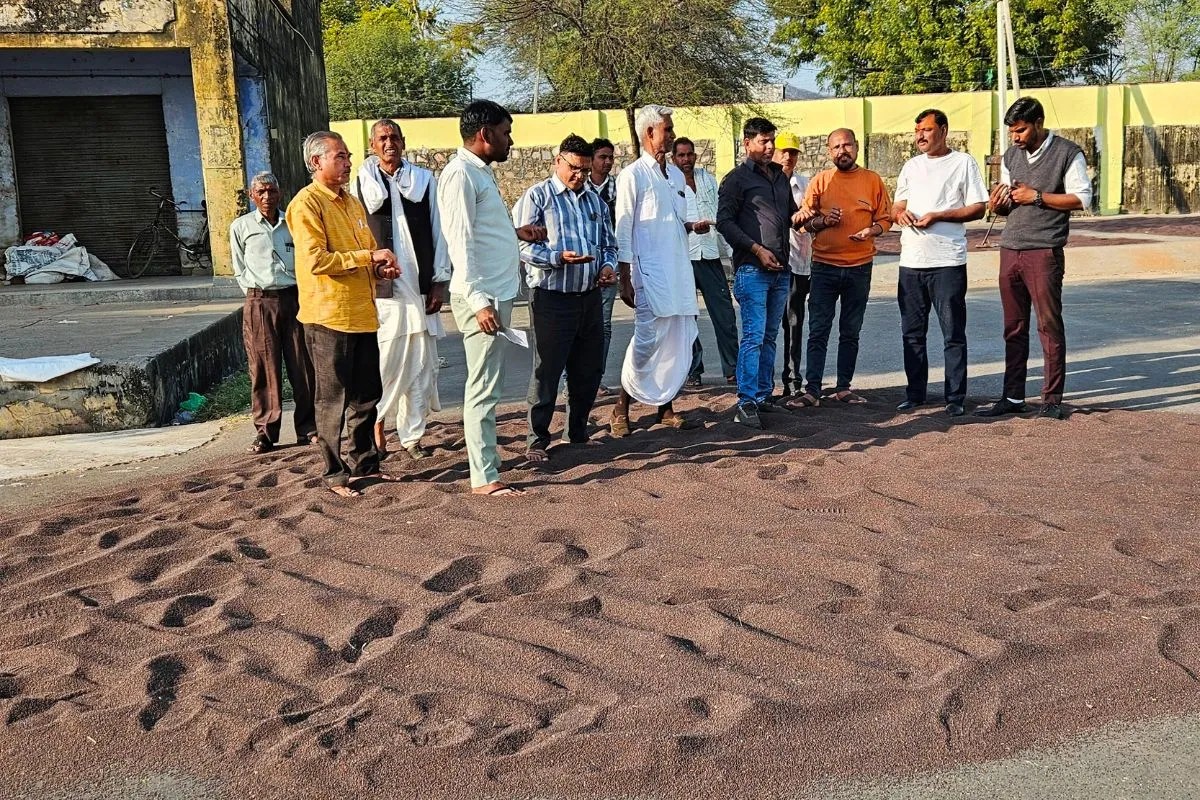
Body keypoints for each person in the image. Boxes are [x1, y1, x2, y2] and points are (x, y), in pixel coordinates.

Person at [439, 100, 546, 496]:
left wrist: (515, 235)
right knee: (482, 387)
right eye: (505, 131)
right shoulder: (460, 176)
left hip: (496, 293)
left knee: (491, 386)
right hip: (479, 297)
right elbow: (460, 246)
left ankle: (489, 466)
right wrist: (480, 301)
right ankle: (484, 477)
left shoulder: (479, 174)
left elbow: (481, 233)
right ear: (484, 134)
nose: (511, 140)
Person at [287, 131, 401, 497]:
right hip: (328, 317)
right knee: (331, 399)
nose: (348, 162)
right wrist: (370, 258)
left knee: (368, 394)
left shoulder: (351, 203)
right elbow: (316, 260)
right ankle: (335, 473)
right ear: (316, 162)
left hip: (362, 313)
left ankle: (367, 462)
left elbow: (367, 251)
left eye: (349, 155)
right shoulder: (306, 204)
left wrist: (380, 268)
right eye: (340, 156)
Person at [976, 97, 1091, 421]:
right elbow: (1008, 204)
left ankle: (1051, 400)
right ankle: (1012, 397)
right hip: (1010, 247)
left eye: (1021, 130)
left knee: (1048, 325)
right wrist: (998, 204)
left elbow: (1081, 198)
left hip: (1045, 249)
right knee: (1013, 327)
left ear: (1039, 123)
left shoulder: (1068, 152)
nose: (1015, 138)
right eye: (1012, 131)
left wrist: (1037, 196)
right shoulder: (1013, 154)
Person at [514, 134, 618, 462]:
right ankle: (536, 440)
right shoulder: (538, 197)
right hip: (551, 296)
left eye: (585, 170)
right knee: (547, 369)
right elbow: (523, 245)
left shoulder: (594, 201)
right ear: (557, 161)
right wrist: (558, 258)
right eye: (574, 168)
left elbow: (609, 244)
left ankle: (577, 432)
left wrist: (607, 267)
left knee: (587, 370)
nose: (580, 176)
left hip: (589, 296)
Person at [352, 119, 451, 461]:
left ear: (403, 141)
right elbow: (357, 234)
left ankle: (412, 438)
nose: (389, 142)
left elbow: (440, 230)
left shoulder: (424, 180)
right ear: (372, 144)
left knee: (422, 367)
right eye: (382, 138)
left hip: (420, 288)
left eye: (394, 137)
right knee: (386, 363)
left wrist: (440, 281)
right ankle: (377, 428)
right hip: (383, 291)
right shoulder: (361, 183)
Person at [611, 104, 706, 437]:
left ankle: (665, 409)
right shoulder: (632, 175)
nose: (673, 133)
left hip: (677, 268)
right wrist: (625, 277)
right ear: (649, 132)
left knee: (674, 339)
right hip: (647, 272)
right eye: (668, 128)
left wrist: (693, 226)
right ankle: (620, 407)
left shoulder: (677, 175)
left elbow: (675, 221)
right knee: (647, 340)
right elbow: (623, 230)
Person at [893, 109, 988, 418]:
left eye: (927, 129)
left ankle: (955, 396)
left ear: (944, 130)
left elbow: (978, 208)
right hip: (911, 262)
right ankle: (915, 395)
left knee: (952, 333)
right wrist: (900, 215)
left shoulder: (963, 163)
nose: (920, 135)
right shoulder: (911, 166)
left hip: (947, 261)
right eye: (917, 130)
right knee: (912, 334)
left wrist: (939, 215)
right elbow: (898, 205)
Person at [717, 118, 801, 429]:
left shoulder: (779, 177)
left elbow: (790, 216)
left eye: (772, 142)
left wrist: (809, 218)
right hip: (752, 269)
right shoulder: (736, 180)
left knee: (769, 336)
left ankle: (764, 397)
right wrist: (756, 250)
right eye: (763, 142)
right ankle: (746, 402)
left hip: (781, 268)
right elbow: (724, 223)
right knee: (753, 335)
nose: (770, 148)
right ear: (747, 143)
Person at [800, 128, 893, 406]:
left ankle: (843, 387)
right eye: (836, 147)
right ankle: (812, 390)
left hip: (859, 268)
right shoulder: (820, 181)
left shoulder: (873, 181)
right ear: (830, 151)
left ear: (857, 147)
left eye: (847, 145)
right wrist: (824, 222)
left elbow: (886, 219)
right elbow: (806, 223)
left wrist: (872, 231)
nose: (842, 151)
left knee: (850, 331)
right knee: (818, 329)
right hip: (824, 267)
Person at [229, 172, 317, 455]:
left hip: (294, 299)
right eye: (261, 192)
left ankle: (308, 428)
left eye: (272, 191)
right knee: (264, 369)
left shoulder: (292, 222)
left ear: (280, 194)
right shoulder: (241, 227)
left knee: (303, 365)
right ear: (252, 196)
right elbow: (238, 266)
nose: (267, 197)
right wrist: (254, 290)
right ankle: (266, 432)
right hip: (260, 302)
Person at [672, 136, 737, 390]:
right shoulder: (669, 183)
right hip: (683, 257)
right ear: (674, 157)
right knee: (688, 318)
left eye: (689, 155)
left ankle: (732, 369)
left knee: (725, 314)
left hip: (709, 255)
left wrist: (732, 251)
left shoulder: (708, 180)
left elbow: (721, 218)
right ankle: (692, 370)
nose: (686, 160)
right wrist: (690, 228)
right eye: (681, 155)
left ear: (695, 156)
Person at [772, 132, 813, 400]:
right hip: (768, 264)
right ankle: (764, 384)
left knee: (794, 322)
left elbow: (812, 220)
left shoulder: (806, 186)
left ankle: (793, 380)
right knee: (766, 326)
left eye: (793, 152)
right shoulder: (764, 184)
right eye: (784, 151)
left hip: (797, 263)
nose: (788, 156)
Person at [588, 137, 620, 395]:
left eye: (611, 157)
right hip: (583, 265)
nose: (607, 162)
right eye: (602, 157)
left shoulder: (617, 190)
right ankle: (572, 381)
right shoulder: (580, 188)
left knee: (604, 325)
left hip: (608, 264)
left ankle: (595, 377)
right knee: (578, 326)